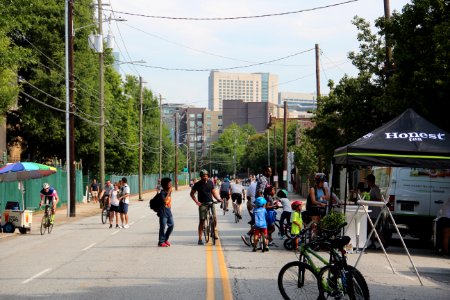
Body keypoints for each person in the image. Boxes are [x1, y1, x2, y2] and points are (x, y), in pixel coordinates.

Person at [190, 169, 222, 245]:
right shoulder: (197, 184)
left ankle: (213, 232)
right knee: (202, 221)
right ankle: (200, 239)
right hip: (202, 204)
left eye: (206, 176)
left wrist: (217, 198)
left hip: (211, 202)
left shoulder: (211, 183)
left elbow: (213, 192)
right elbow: (191, 194)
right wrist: (196, 202)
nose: (205, 177)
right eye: (204, 176)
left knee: (214, 218)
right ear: (201, 177)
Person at [365, 173, 385, 249]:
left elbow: (379, 199)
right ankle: (372, 243)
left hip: (375, 212)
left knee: (375, 228)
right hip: (372, 212)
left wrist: (370, 199)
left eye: (368, 181)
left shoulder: (376, 189)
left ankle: (383, 242)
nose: (367, 183)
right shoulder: (372, 188)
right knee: (372, 228)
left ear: (370, 181)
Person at [157, 177, 174, 247]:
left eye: (170, 183)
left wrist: (169, 192)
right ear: (165, 184)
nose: (170, 184)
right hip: (163, 213)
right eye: (169, 183)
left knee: (172, 225)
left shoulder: (168, 192)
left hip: (169, 212)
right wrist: (169, 192)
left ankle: (165, 239)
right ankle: (161, 241)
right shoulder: (162, 193)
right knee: (163, 227)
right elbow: (164, 201)